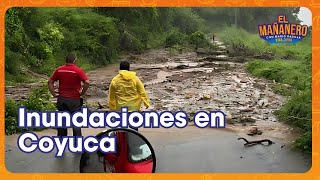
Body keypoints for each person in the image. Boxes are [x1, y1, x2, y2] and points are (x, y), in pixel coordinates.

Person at [48, 52, 90, 137]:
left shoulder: (59, 69)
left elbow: (50, 81)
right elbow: (87, 82)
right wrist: (82, 92)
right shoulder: (78, 70)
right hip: (74, 100)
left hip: (62, 99)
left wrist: (53, 93)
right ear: (74, 61)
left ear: (66, 60)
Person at [108, 61, 150, 131]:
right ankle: (134, 140)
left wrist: (112, 109)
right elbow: (142, 91)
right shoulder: (135, 79)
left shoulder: (115, 80)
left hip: (120, 109)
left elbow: (111, 96)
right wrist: (146, 103)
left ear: (120, 69)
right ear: (129, 68)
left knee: (121, 130)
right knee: (134, 129)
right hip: (134, 108)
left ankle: (122, 141)